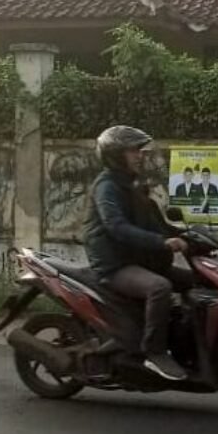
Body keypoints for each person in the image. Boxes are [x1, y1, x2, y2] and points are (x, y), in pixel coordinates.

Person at [84, 125, 193, 381]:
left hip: (139, 260)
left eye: (139, 151)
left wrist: (191, 235)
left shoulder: (132, 186)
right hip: (115, 265)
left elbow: (156, 223)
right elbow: (117, 226)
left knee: (195, 280)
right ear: (115, 155)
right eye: (134, 151)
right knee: (160, 287)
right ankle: (155, 352)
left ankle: (187, 339)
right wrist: (162, 242)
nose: (140, 156)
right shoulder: (107, 187)